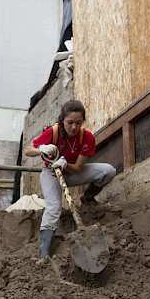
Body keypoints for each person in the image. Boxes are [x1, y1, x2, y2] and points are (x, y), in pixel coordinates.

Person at [24, 100, 116, 257]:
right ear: (62, 120)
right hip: (51, 174)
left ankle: (88, 198)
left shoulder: (86, 138)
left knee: (108, 171)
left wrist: (65, 164)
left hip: (72, 172)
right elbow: (28, 150)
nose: (74, 127)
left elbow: (79, 167)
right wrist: (41, 149)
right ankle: (44, 253)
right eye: (70, 122)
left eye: (78, 123)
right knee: (54, 208)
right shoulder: (53, 132)